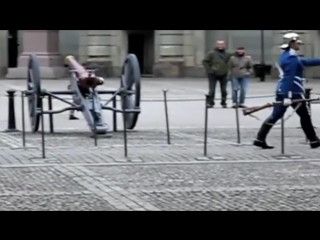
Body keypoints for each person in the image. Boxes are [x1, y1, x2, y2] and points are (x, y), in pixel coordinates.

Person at [253, 31, 320, 149]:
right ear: (291, 43)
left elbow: (304, 62)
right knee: (305, 115)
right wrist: (287, 96)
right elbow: (289, 77)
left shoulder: (287, 55)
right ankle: (314, 140)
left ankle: (260, 138)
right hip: (293, 90)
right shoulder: (291, 58)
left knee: (276, 115)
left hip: (282, 89)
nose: (299, 45)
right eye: (297, 43)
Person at [202, 40, 232, 108]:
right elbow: (205, 61)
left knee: (224, 89)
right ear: (216, 45)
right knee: (212, 89)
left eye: (222, 44)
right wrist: (209, 69)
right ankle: (211, 102)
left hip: (224, 74)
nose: (220, 46)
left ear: (224, 45)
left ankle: (223, 102)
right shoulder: (211, 53)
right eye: (219, 44)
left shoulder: (228, 54)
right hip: (213, 74)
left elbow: (232, 60)